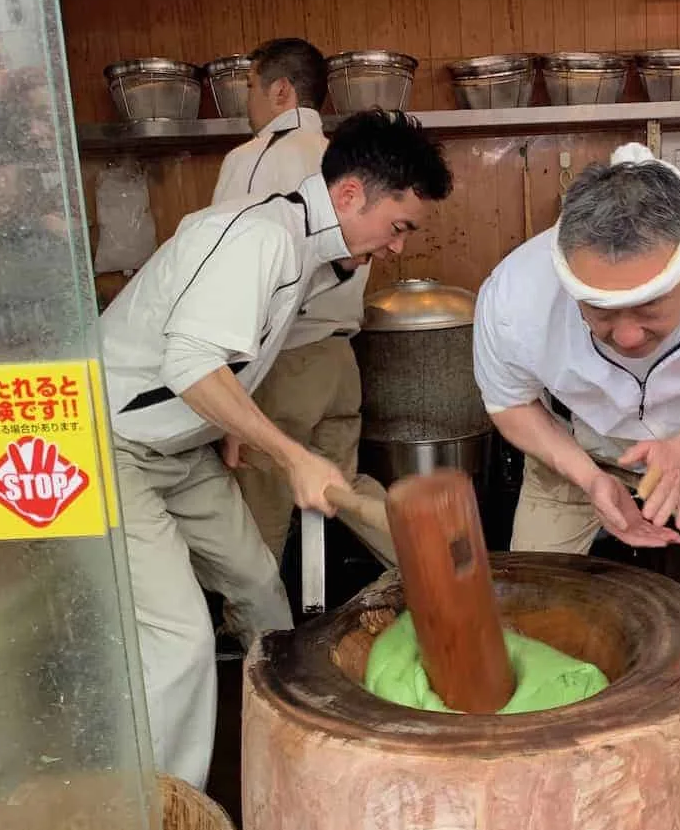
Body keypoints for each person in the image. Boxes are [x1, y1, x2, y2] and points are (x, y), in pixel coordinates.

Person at [100, 110, 453, 788]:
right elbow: (191, 363)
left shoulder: (307, 249)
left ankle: (282, 761)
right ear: (351, 195)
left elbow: (223, 357)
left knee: (261, 590)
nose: (399, 246)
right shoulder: (261, 237)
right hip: (112, 446)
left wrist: (229, 420)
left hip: (179, 450)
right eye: (399, 225)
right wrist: (292, 455)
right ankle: (166, 817)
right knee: (180, 638)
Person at [473, 141, 680, 601]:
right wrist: (588, 477)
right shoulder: (514, 294)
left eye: (649, 307)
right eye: (599, 310)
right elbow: (509, 401)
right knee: (533, 595)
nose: (626, 337)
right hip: (572, 449)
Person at [211, 38, 394, 586]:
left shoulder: (251, 158)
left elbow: (226, 271)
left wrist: (231, 387)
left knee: (259, 500)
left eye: (250, 88)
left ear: (280, 90)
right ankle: (441, 571)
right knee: (347, 486)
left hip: (284, 360)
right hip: (340, 358)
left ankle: (257, 632)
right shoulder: (345, 163)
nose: (248, 102)